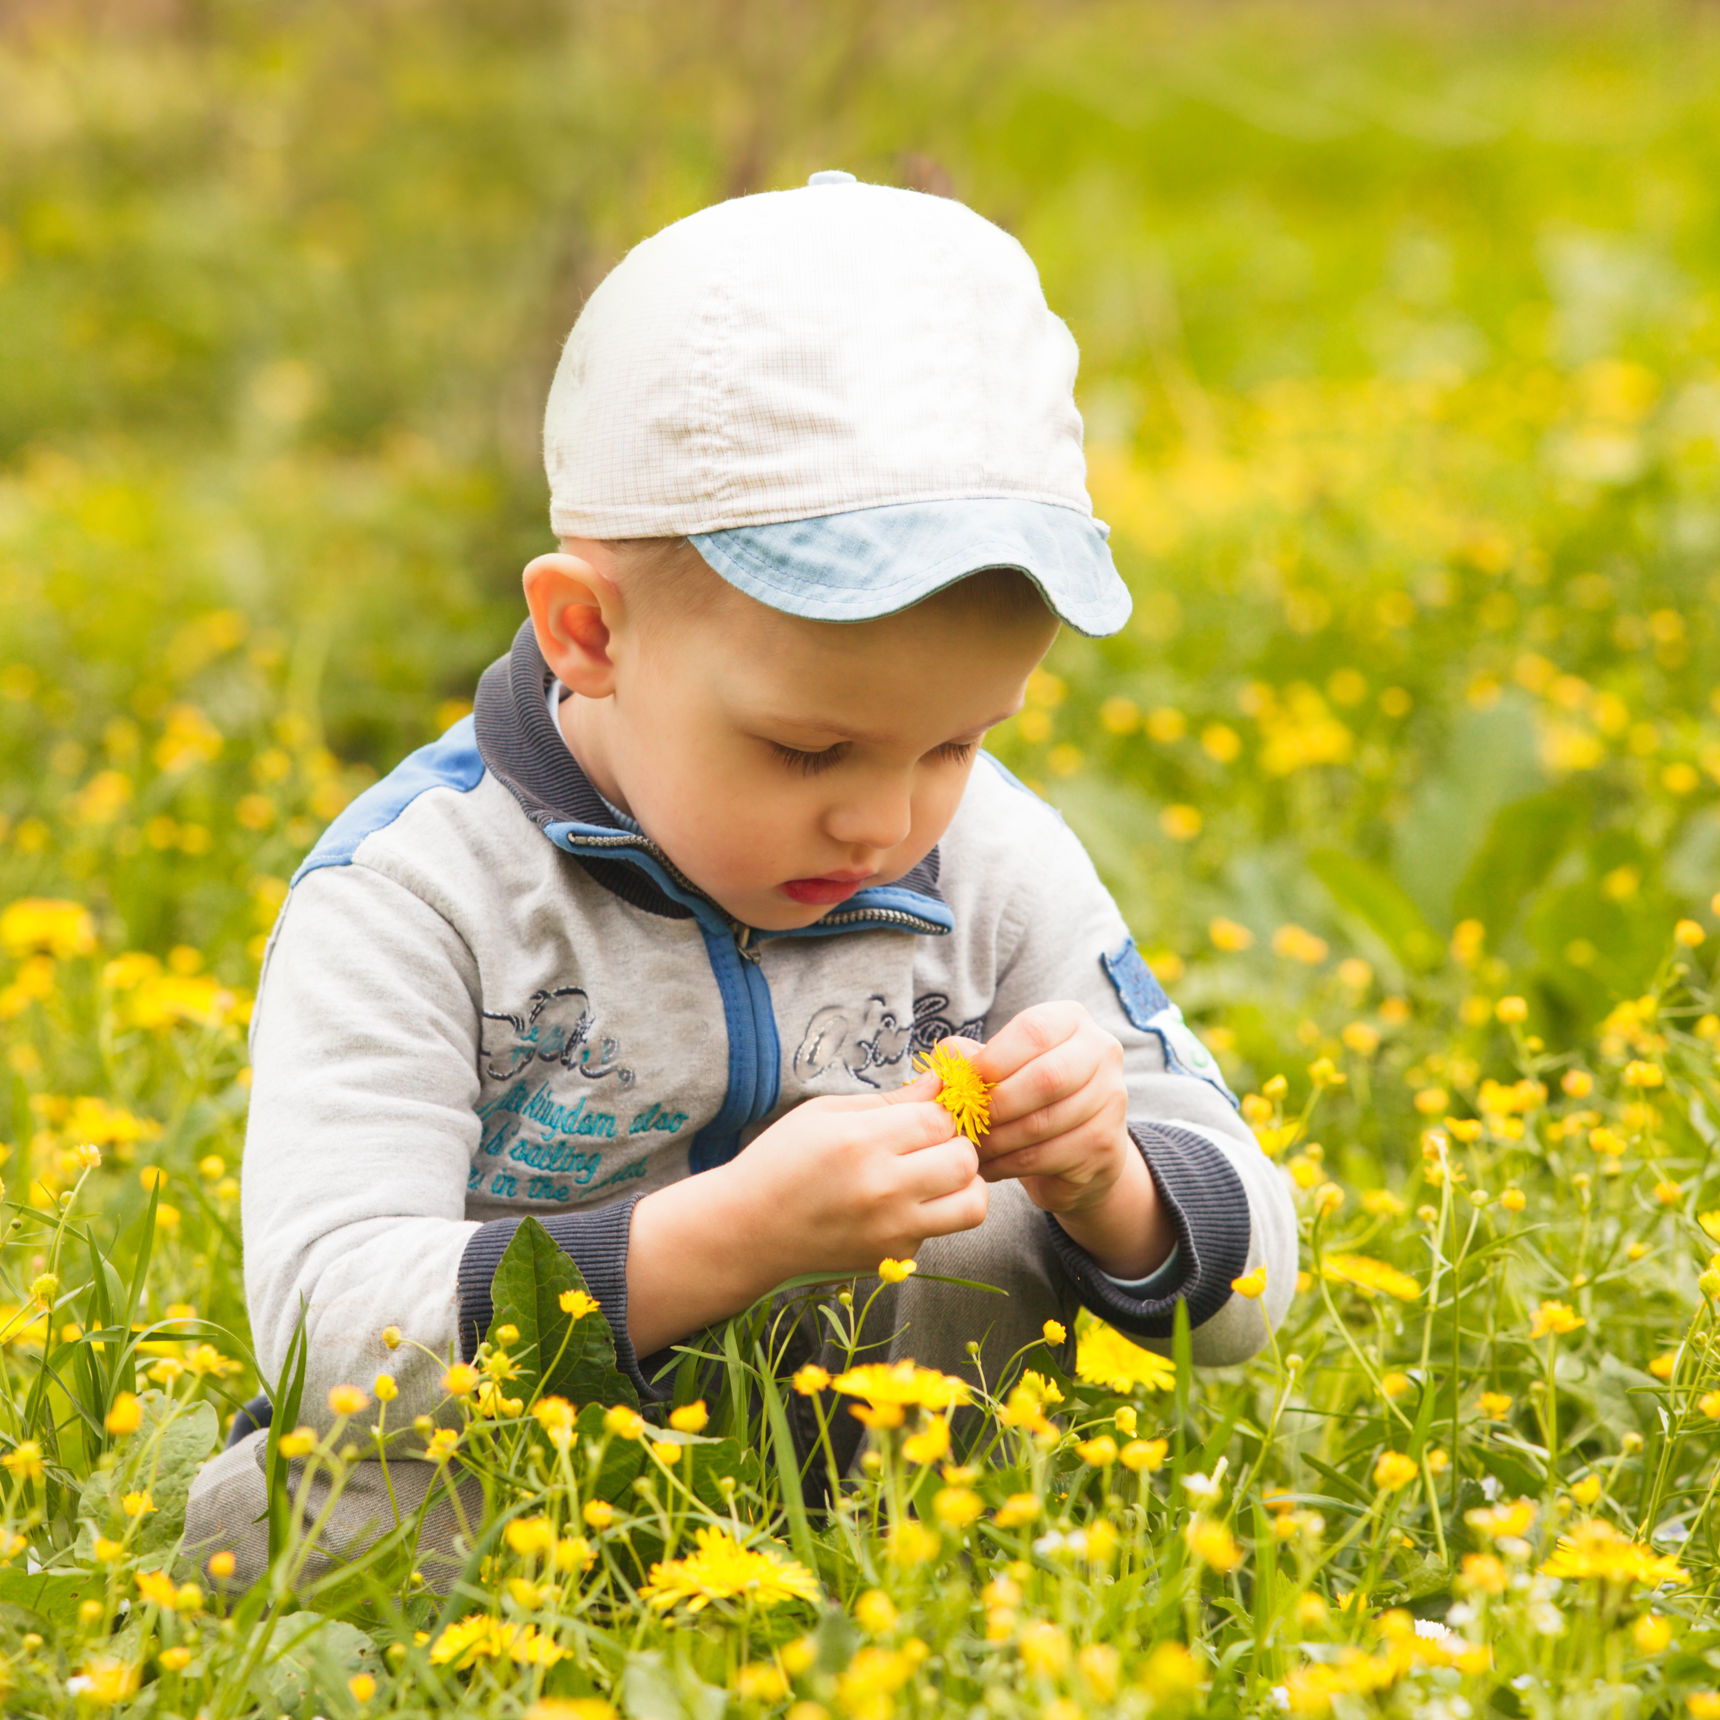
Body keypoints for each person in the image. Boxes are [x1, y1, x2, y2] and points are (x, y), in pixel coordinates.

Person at [184, 171, 1296, 1587]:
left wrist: (1108, 1179)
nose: (886, 822)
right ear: (588, 633)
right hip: (538, 1467)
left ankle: (894, 1583)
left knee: (988, 1245)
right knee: (279, 1529)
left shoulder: (996, 859)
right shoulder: (417, 894)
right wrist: (729, 1236)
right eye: (807, 748)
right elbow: (324, 1321)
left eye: (957, 742)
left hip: (886, 1476)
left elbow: (1250, 1285)